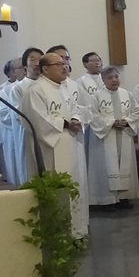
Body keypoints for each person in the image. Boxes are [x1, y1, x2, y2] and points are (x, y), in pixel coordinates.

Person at [20, 53, 89, 235]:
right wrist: (65, 123)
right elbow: (37, 119)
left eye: (65, 63)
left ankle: (76, 230)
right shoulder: (36, 90)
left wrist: (76, 119)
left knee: (74, 185)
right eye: (59, 64)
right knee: (56, 187)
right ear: (45, 69)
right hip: (50, 147)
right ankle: (58, 233)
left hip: (70, 145)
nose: (64, 67)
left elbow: (76, 108)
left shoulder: (63, 88)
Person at [88, 66, 139, 207]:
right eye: (110, 77)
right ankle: (108, 200)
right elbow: (93, 116)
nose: (114, 80)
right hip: (106, 137)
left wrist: (127, 121)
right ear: (103, 80)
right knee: (108, 167)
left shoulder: (127, 94)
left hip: (124, 134)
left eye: (116, 76)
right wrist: (111, 123)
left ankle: (124, 198)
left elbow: (136, 111)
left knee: (124, 165)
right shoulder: (96, 96)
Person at [1, 48, 43, 186]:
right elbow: (20, 116)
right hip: (28, 136)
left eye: (40, 59)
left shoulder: (48, 86)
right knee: (31, 172)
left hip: (50, 135)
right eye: (32, 59)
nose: (37, 63)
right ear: (25, 65)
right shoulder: (18, 89)